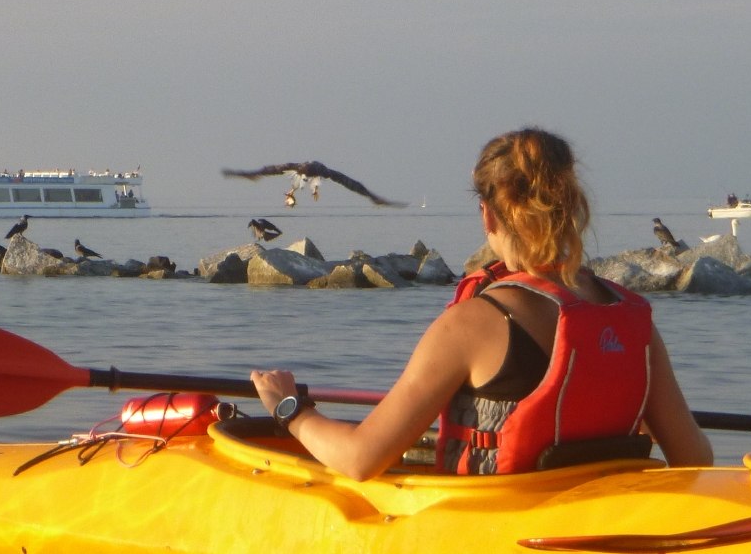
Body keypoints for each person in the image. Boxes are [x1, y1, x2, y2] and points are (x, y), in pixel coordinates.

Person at [251, 127, 712, 481]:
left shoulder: (473, 324)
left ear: (488, 213)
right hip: (594, 528)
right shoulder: (630, 322)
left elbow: (360, 458)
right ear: (571, 208)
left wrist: (290, 410)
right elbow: (695, 459)